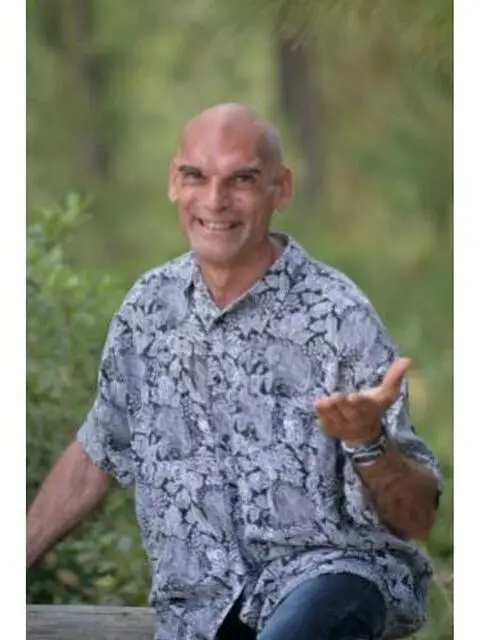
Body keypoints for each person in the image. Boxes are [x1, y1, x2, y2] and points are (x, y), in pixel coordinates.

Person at [27, 103, 442, 640]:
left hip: (332, 580)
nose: (215, 200)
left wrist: (369, 442)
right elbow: (97, 452)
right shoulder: (148, 309)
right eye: (196, 176)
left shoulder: (339, 316)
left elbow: (416, 519)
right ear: (174, 183)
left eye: (241, 179)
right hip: (201, 612)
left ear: (280, 189)